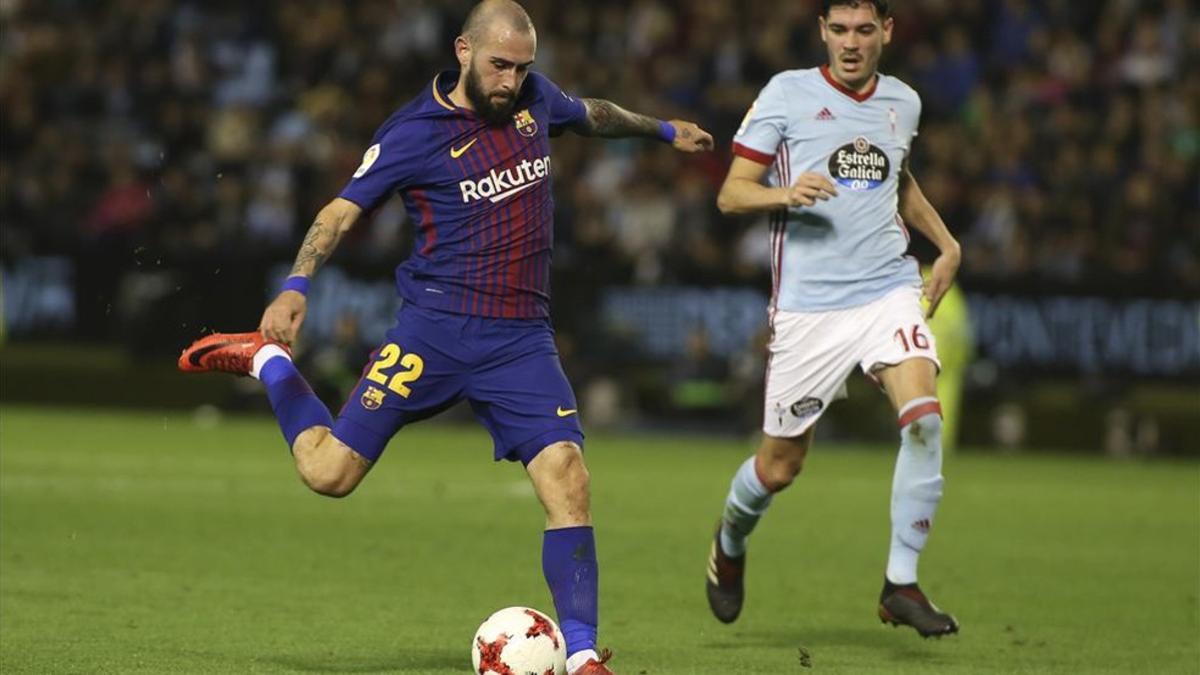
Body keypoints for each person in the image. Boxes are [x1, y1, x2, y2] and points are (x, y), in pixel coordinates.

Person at [178, 2, 713, 673]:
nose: (511, 81)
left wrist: (664, 130)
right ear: (464, 50)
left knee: (568, 478)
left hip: (520, 340)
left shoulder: (536, 99)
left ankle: (581, 656)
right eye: (499, 65)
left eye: (522, 68)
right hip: (432, 331)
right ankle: (268, 363)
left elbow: (594, 114)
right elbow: (340, 212)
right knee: (328, 473)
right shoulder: (411, 132)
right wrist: (297, 284)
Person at [704, 0, 961, 638]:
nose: (851, 43)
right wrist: (783, 192)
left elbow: (897, 180)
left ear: (887, 33)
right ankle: (730, 540)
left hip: (887, 289)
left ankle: (900, 582)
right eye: (839, 30)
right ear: (822, 31)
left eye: (864, 30)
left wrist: (947, 243)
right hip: (809, 309)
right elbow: (731, 192)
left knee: (924, 420)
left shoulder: (904, 101)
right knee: (779, 468)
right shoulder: (786, 94)